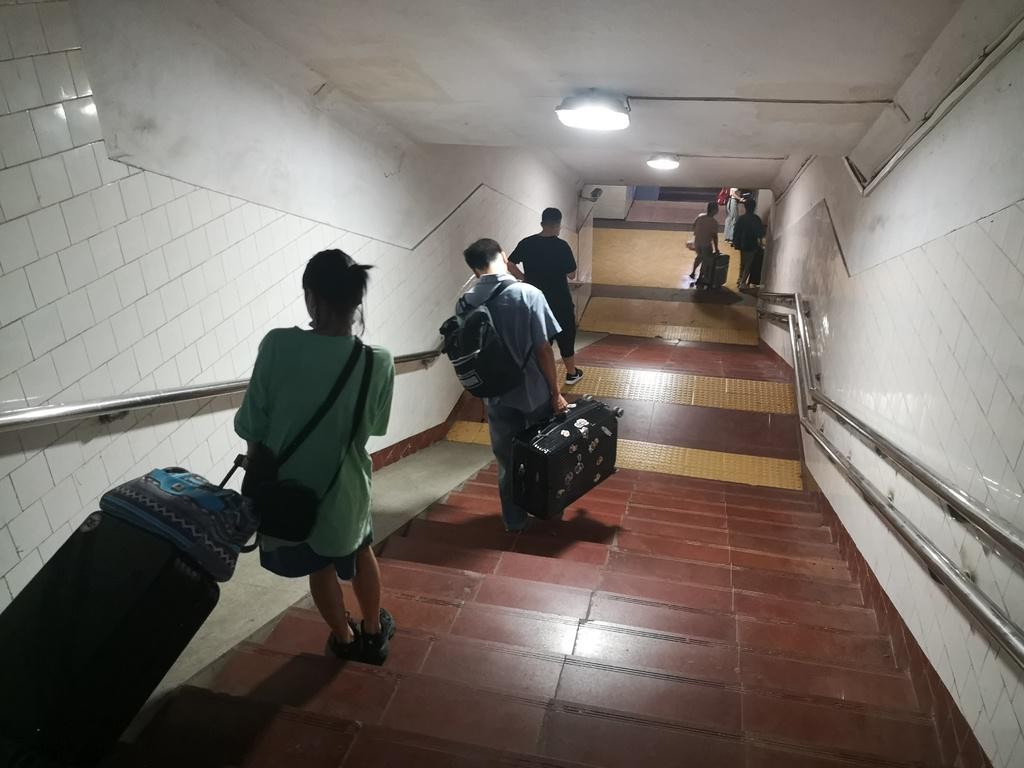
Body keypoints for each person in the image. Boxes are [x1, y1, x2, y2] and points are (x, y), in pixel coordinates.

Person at [234, 249, 396, 664]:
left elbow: (252, 424)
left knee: (318, 567)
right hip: (345, 490)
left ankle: (343, 637)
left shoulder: (278, 345)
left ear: (311, 297)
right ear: (357, 301)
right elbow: (374, 428)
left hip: (287, 492)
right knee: (360, 552)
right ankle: (373, 633)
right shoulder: (377, 362)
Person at [461, 238, 568, 532]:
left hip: (495, 395)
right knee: (545, 453)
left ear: (474, 269)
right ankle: (549, 511)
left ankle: (514, 520)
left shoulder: (466, 302)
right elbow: (543, 349)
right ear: (504, 256)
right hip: (534, 393)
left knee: (508, 462)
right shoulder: (529, 294)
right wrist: (555, 392)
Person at [508, 208, 583, 385]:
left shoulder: (526, 243)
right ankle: (571, 373)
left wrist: (525, 279)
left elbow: (510, 264)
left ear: (542, 223)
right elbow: (572, 275)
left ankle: (542, 376)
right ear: (558, 225)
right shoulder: (562, 246)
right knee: (566, 336)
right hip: (560, 302)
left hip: (535, 302)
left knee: (540, 338)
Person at [732, 198, 766, 288]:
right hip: (752, 244)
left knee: (743, 263)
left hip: (743, 243)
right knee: (748, 264)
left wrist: (735, 242)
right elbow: (761, 233)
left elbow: (736, 231)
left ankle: (739, 279)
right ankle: (743, 282)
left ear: (745, 207)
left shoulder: (741, 218)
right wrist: (761, 244)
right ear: (754, 207)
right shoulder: (756, 219)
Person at [690, 201, 719, 284]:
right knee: (705, 261)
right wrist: (716, 248)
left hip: (697, 242)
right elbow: (714, 237)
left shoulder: (700, 216)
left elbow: (693, 225)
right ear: (714, 210)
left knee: (699, 257)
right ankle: (700, 278)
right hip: (706, 244)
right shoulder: (714, 222)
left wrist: (698, 233)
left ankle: (693, 272)